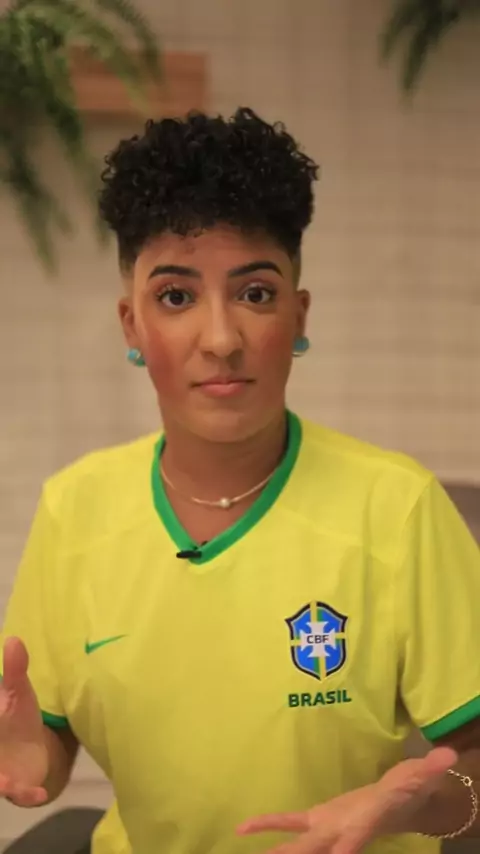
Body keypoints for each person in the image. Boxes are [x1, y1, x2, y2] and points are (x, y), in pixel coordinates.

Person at [0, 107, 479, 854]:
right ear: (132, 326)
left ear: (299, 316)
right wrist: (30, 755)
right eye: (176, 297)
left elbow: (472, 770)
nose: (222, 339)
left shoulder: (398, 508)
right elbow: (46, 746)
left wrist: (412, 805)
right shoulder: (75, 508)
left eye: (255, 294)